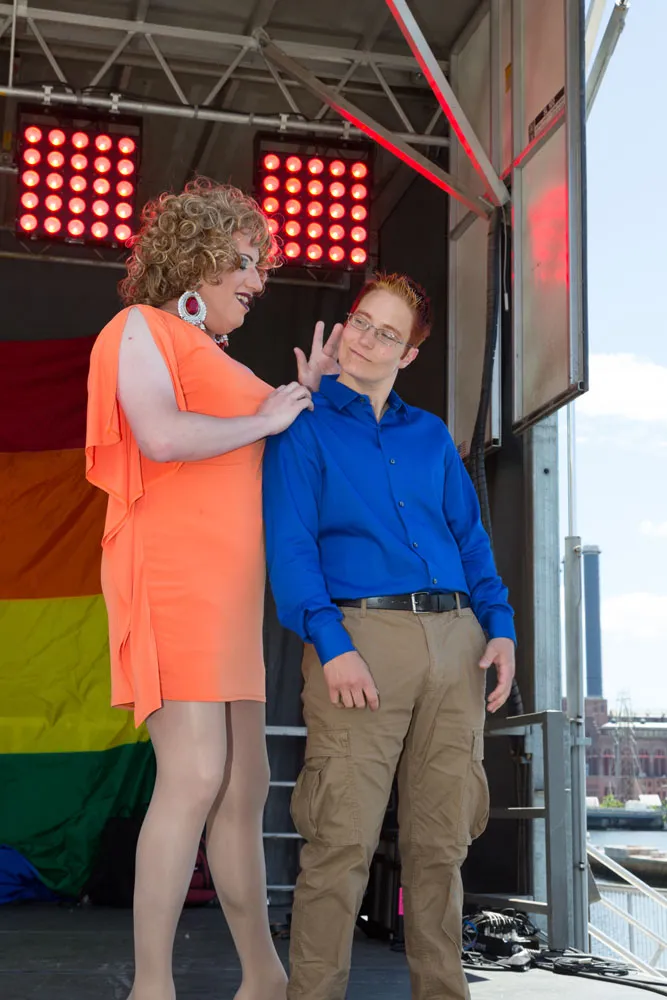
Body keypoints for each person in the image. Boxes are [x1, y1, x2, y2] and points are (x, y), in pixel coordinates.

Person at [85, 178, 340, 1000]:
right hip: (173, 575)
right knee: (194, 776)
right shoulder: (138, 327)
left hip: (230, 594)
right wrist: (266, 416)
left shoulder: (217, 356)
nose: (258, 279)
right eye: (246, 260)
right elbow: (161, 434)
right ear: (197, 254)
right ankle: (151, 987)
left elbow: (261, 453)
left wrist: (308, 395)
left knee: (243, 787)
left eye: (260, 266)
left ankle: (263, 977)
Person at [262, 273, 517, 1000]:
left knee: (442, 845)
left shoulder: (429, 435)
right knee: (339, 841)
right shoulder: (302, 423)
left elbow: (471, 541)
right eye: (361, 322)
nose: (366, 340)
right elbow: (291, 549)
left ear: (408, 355)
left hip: (457, 642)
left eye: (387, 334)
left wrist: (499, 628)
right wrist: (332, 643)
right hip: (362, 639)